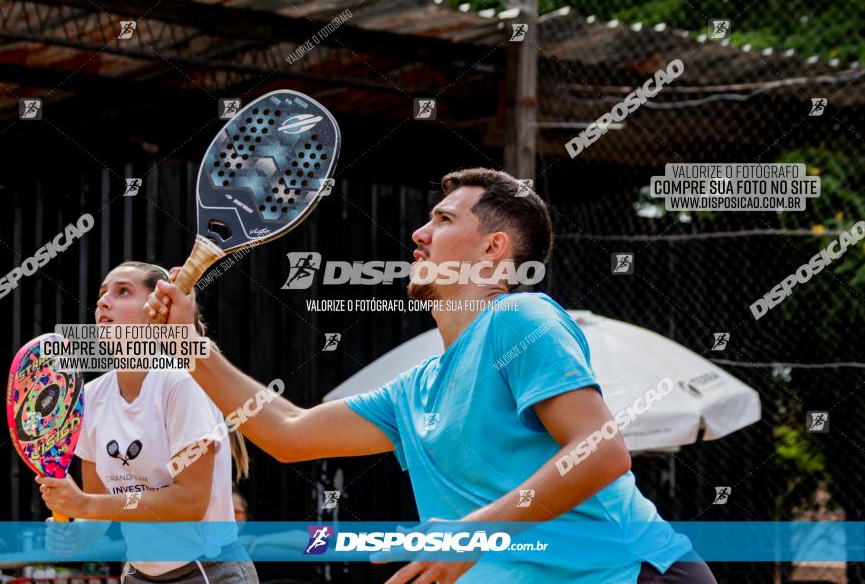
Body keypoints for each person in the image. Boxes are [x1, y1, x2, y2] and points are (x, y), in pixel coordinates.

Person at [147, 169, 716, 583]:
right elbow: (288, 432)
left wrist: (473, 535)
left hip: (639, 574)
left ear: (494, 250)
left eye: (443, 220)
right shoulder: (416, 388)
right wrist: (187, 342)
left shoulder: (522, 317)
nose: (419, 233)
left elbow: (601, 452)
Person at [38, 261, 259, 584]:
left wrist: (86, 504)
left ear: (154, 311)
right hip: (140, 574)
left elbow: (190, 503)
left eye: (122, 291)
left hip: (209, 571)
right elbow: (96, 509)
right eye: (102, 294)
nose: (102, 302)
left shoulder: (182, 383)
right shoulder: (90, 397)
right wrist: (75, 535)